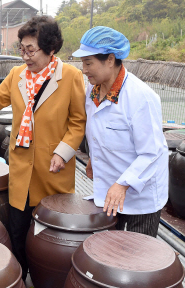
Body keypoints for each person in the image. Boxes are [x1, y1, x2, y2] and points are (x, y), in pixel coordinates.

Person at [0, 16, 86, 280]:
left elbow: (78, 122)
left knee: (50, 233)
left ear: (50, 49)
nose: (24, 56)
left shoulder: (70, 77)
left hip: (53, 169)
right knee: (17, 230)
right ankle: (19, 281)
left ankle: (46, 280)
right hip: (21, 169)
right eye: (21, 49)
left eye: (31, 50)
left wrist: (63, 152)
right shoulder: (17, 76)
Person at [73, 26, 168, 237]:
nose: (84, 69)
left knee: (136, 253)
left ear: (110, 59)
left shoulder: (141, 97)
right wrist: (94, 157)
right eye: (83, 63)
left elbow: (151, 152)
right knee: (110, 247)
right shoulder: (92, 90)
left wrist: (123, 184)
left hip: (139, 193)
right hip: (110, 186)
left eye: (88, 63)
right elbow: (99, 129)